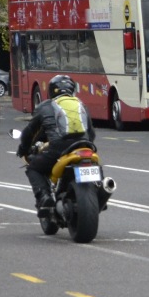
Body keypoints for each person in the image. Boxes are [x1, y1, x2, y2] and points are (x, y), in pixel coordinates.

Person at [16, 74, 96, 217]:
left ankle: (44, 198)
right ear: (73, 90)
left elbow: (29, 132)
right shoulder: (80, 104)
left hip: (59, 147)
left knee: (34, 168)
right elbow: (91, 132)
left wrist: (23, 149)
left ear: (51, 91)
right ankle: (99, 191)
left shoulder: (44, 106)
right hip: (85, 145)